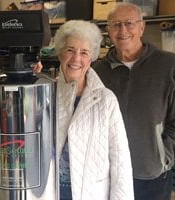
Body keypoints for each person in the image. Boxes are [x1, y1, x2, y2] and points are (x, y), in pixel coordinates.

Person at [92, 2, 175, 200]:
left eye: (129, 23)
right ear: (108, 30)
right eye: (115, 24)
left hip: (151, 175)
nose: (122, 30)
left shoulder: (169, 65)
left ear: (142, 27)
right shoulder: (97, 71)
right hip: (107, 174)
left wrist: (163, 157)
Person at [54, 20, 134, 200]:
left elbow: (120, 160)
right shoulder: (44, 94)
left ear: (91, 58)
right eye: (70, 50)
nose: (76, 59)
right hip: (51, 193)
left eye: (84, 52)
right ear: (60, 53)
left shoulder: (106, 100)